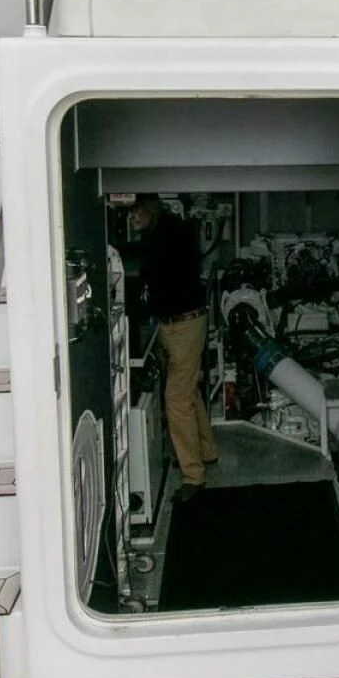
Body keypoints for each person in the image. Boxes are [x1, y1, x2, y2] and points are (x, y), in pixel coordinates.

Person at [129, 194, 218, 502]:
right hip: (180, 322)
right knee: (187, 389)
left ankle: (193, 476)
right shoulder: (170, 230)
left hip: (182, 324)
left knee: (175, 400)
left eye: (136, 211)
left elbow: (149, 273)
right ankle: (206, 450)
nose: (132, 218)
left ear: (152, 207)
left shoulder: (166, 236)